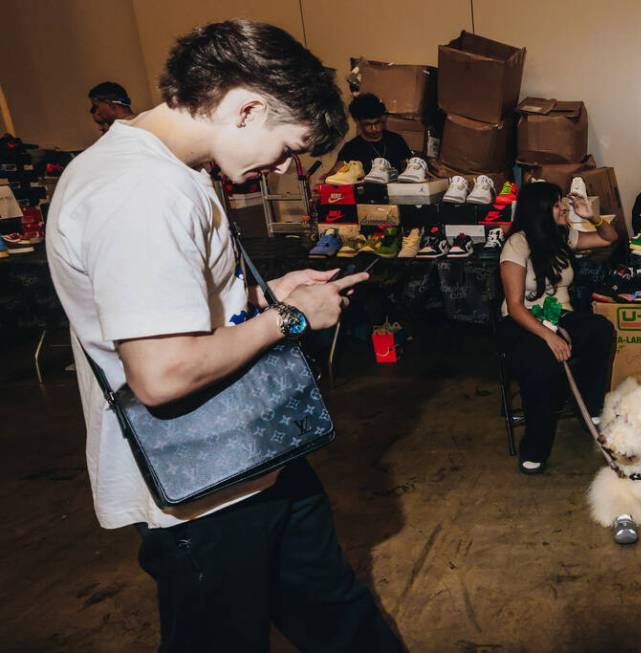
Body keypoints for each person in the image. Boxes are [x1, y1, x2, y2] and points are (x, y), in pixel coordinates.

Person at [47, 20, 403, 651]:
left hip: (251, 456)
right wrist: (289, 320)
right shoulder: (142, 191)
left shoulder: (167, 172)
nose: (288, 165)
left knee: (342, 618)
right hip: (202, 490)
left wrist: (264, 296)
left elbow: (182, 310)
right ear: (247, 109)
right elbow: (161, 374)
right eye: (290, 146)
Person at [499, 182, 619, 474]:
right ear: (539, 211)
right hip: (524, 321)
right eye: (556, 205)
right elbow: (515, 306)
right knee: (542, 364)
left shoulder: (562, 237)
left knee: (601, 331)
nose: (564, 208)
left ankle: (588, 408)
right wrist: (548, 336)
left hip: (561, 316)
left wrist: (592, 216)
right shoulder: (518, 243)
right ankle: (535, 446)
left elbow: (609, 238)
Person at [331, 92, 412, 175]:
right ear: (358, 122)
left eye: (377, 123)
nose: (374, 129)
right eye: (368, 124)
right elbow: (336, 173)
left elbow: (410, 168)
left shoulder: (396, 141)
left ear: (382, 119)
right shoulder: (351, 148)